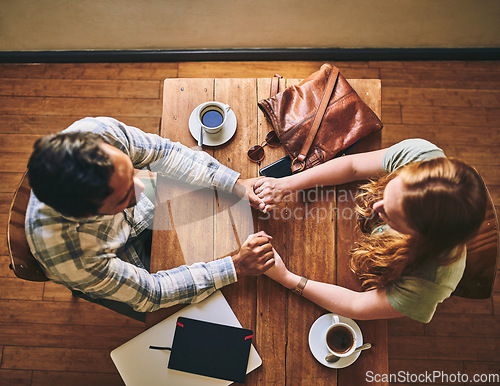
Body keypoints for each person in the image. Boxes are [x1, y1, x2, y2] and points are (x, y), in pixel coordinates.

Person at [26, 117, 274, 321]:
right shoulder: (75, 260)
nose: (140, 187)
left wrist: (234, 183)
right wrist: (236, 266)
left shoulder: (96, 133)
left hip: (123, 226)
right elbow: (152, 294)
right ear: (86, 215)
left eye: (131, 172)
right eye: (124, 195)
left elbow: (161, 154)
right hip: (119, 256)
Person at [254, 139, 487, 323]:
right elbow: (353, 167)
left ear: (420, 237)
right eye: (388, 191)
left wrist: (286, 278)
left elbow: (356, 305)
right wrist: (285, 184)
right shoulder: (421, 156)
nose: (376, 207)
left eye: (392, 216)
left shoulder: (427, 284)